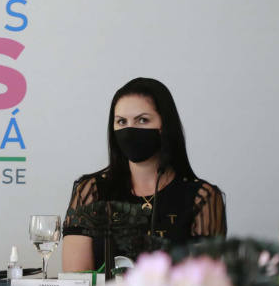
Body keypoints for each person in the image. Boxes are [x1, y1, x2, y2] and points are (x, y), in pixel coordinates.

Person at [62, 78, 226, 272]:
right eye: (121, 121)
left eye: (143, 120)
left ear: (165, 126)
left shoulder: (202, 197)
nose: (130, 130)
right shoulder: (91, 191)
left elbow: (201, 281)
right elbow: (76, 281)